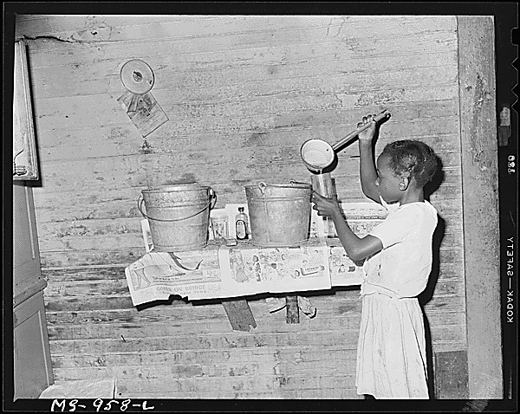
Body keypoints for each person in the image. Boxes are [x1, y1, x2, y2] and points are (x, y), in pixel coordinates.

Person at [312, 114, 440, 399]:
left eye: (384, 176)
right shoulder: (408, 209)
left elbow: (357, 251)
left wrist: (335, 213)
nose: (378, 182)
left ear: (404, 182)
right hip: (384, 308)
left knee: (400, 389)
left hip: (394, 314)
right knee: (386, 387)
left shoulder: (411, 217)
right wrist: (365, 143)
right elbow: (370, 187)